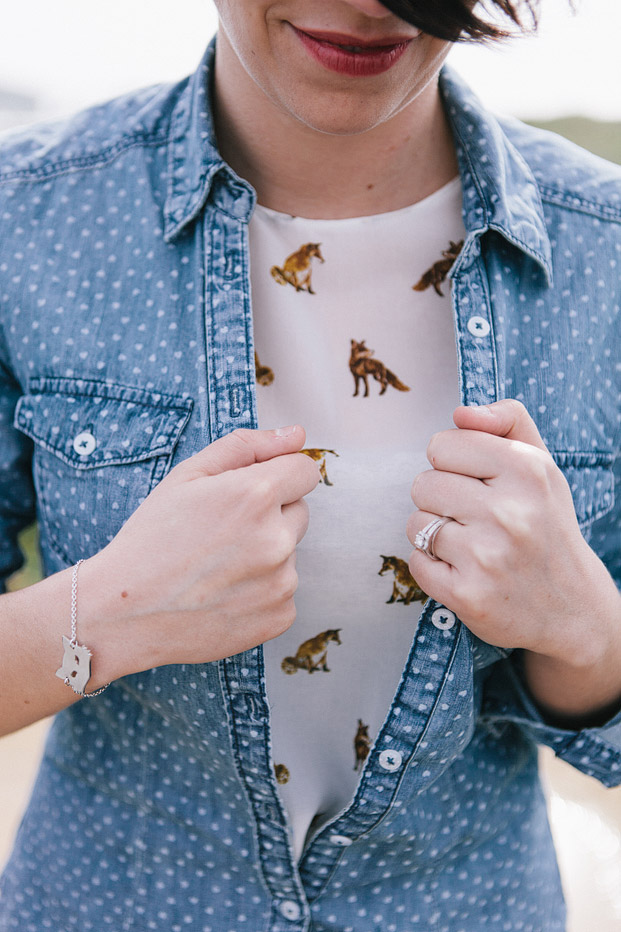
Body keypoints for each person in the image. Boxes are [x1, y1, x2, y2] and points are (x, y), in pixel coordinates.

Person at [0, 0, 619, 929]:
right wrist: (112, 613)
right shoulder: (29, 217)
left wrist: (587, 630)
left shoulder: (602, 253)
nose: (368, 3)